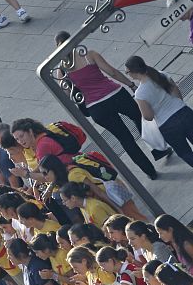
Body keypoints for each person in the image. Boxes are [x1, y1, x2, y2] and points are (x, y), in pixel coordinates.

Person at [54, 30, 171, 176]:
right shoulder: (89, 55)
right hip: (116, 95)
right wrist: (131, 84)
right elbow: (112, 72)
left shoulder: (61, 70)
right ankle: (159, 149)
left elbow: (67, 95)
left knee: (124, 139)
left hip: (96, 107)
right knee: (140, 119)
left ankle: (149, 171)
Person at [126, 55, 193, 189]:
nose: (128, 75)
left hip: (168, 126)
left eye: (127, 72)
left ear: (134, 71)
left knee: (185, 153)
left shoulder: (140, 93)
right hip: (185, 113)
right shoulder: (161, 75)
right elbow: (177, 94)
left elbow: (148, 116)